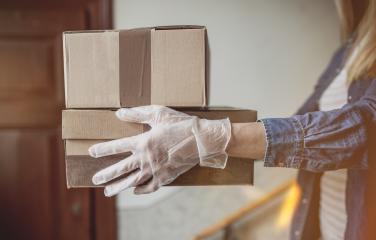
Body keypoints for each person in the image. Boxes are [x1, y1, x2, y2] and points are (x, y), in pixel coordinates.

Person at [88, 0, 376, 239]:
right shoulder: (348, 50)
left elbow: (366, 129)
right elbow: (306, 133)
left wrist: (210, 136)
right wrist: (202, 142)